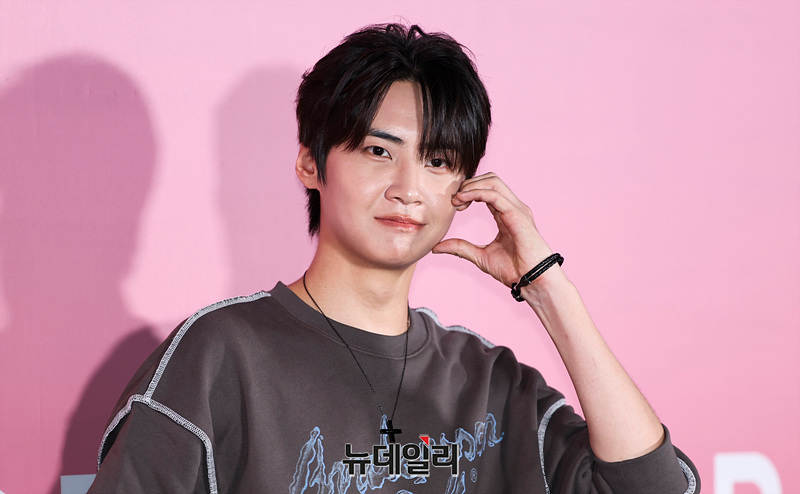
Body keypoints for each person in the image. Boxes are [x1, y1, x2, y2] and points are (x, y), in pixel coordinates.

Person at [89, 23, 700, 493]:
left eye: (437, 161)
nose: (409, 188)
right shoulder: (218, 357)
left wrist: (548, 289)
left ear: (465, 187)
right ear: (311, 163)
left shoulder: (488, 383)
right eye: (379, 152)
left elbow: (654, 488)